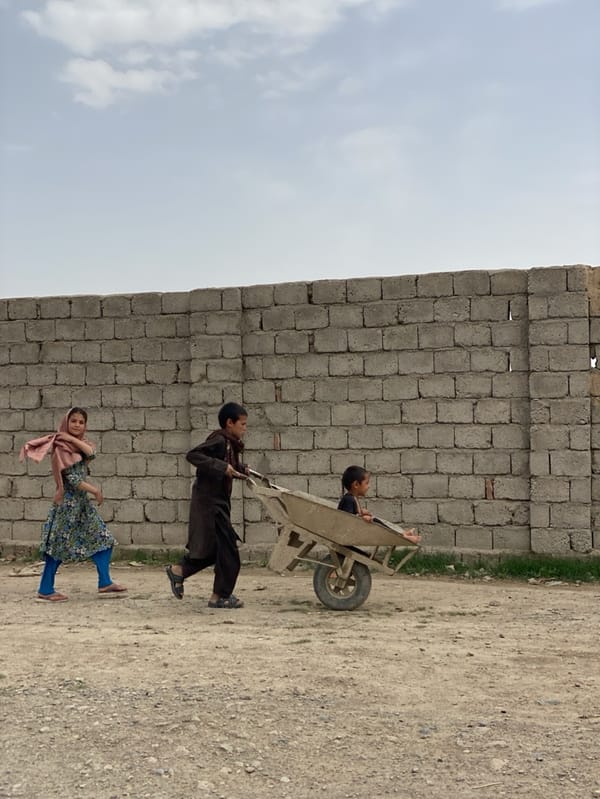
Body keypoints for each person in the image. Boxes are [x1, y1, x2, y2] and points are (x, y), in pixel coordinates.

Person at [20, 407, 126, 601]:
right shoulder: (61, 449)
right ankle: (45, 589)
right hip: (67, 507)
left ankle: (105, 582)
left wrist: (70, 438)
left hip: (81, 506)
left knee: (103, 539)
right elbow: (74, 480)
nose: (77, 425)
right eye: (73, 421)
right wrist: (95, 490)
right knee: (57, 548)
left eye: (81, 422)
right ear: (66, 423)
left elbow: (91, 453)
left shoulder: (74, 445)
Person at [165, 402, 249, 608]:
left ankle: (179, 571)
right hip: (210, 504)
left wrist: (241, 470)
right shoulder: (219, 440)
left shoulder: (230, 444)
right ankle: (218, 596)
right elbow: (193, 455)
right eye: (243, 424)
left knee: (215, 551)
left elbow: (229, 465)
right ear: (230, 423)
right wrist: (222, 467)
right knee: (228, 551)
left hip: (218, 504)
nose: (245, 428)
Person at [338, 465, 421, 544]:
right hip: (350, 534)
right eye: (366, 483)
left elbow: (352, 514)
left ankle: (402, 533)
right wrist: (362, 517)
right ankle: (403, 536)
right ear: (356, 485)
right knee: (376, 521)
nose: (369, 486)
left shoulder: (352, 498)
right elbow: (347, 519)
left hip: (354, 531)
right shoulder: (349, 499)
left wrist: (361, 513)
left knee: (378, 520)